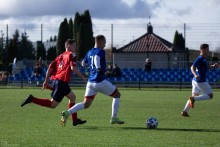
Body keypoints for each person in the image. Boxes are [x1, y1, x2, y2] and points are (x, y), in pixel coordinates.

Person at [60, 35, 125, 126]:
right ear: (99, 42)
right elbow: (96, 58)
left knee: (86, 104)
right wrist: (98, 68)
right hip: (99, 81)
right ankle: (114, 117)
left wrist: (90, 66)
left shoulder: (89, 51)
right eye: (104, 42)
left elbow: (83, 63)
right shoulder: (100, 51)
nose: (105, 44)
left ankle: (67, 112)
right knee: (117, 94)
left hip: (90, 83)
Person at [21, 39, 87, 126]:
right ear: (68, 46)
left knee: (72, 97)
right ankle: (32, 99)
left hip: (57, 81)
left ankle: (75, 120)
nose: (75, 48)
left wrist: (46, 81)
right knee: (53, 104)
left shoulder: (59, 57)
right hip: (62, 82)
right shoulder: (72, 55)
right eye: (74, 46)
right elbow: (73, 68)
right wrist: (83, 76)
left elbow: (50, 68)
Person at [181, 43, 218, 117]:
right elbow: (192, 67)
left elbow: (206, 67)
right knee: (210, 95)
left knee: (195, 95)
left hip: (195, 81)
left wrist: (213, 66)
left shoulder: (204, 59)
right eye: (207, 49)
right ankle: (193, 99)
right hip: (200, 81)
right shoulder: (200, 58)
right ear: (202, 50)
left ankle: (184, 112)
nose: (208, 50)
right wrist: (195, 74)